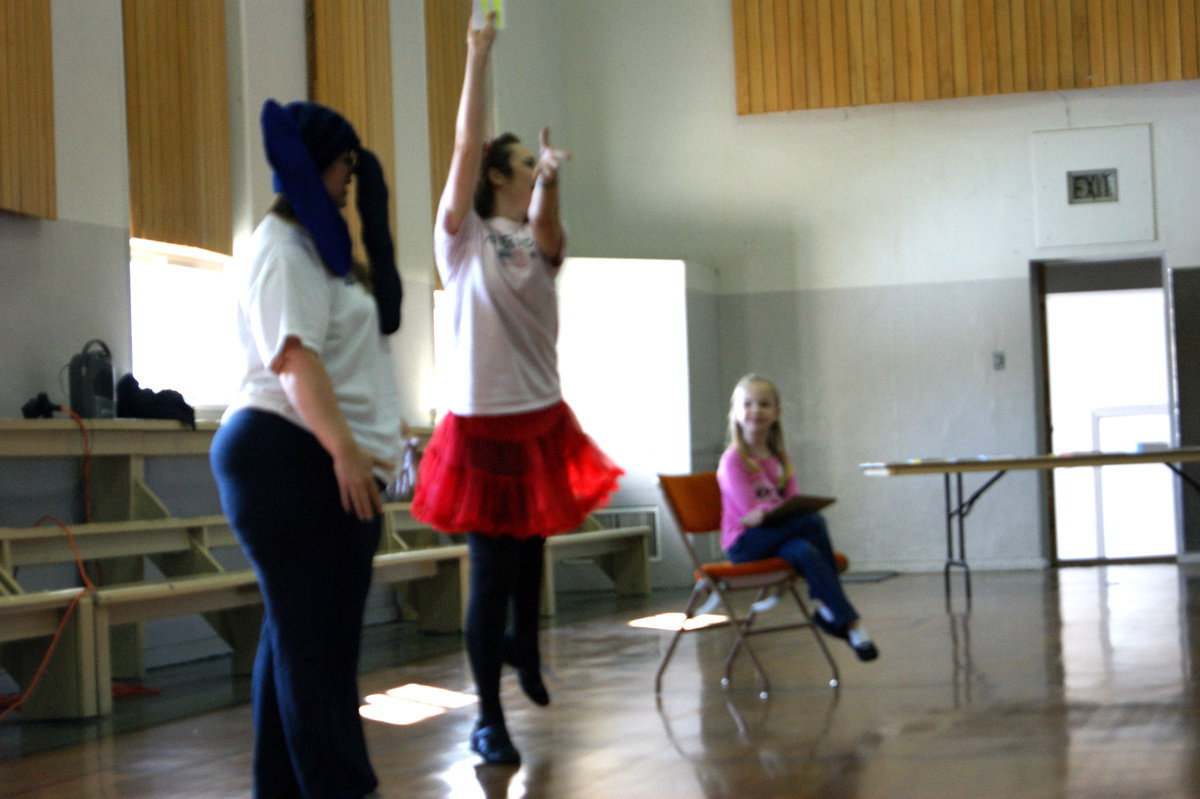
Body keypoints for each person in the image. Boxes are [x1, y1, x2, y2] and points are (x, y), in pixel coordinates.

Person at [411, 13, 622, 766]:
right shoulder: (459, 242)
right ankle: (487, 719)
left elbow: (552, 229)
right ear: (496, 177)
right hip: (478, 427)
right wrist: (477, 54)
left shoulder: (539, 240)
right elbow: (466, 145)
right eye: (529, 163)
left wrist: (555, 181)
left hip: (538, 420)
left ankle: (523, 648)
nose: (538, 169)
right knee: (491, 574)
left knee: (529, 558)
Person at [210, 99, 402, 799]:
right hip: (284, 455)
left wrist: (374, 436)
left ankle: (281, 789)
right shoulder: (281, 248)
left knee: (295, 636)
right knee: (314, 645)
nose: (351, 177)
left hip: (305, 451)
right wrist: (348, 450)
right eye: (345, 164)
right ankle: (342, 788)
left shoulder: (319, 251)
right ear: (319, 163)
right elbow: (293, 359)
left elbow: (342, 357)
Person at [717, 374, 878, 662]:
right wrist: (776, 511)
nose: (756, 410)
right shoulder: (733, 460)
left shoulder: (781, 458)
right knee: (813, 522)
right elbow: (750, 514)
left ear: (776, 414)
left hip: (777, 535)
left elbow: (791, 502)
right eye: (748, 404)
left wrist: (778, 511)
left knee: (804, 548)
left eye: (764, 404)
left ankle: (844, 620)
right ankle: (840, 615)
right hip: (744, 544)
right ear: (736, 414)